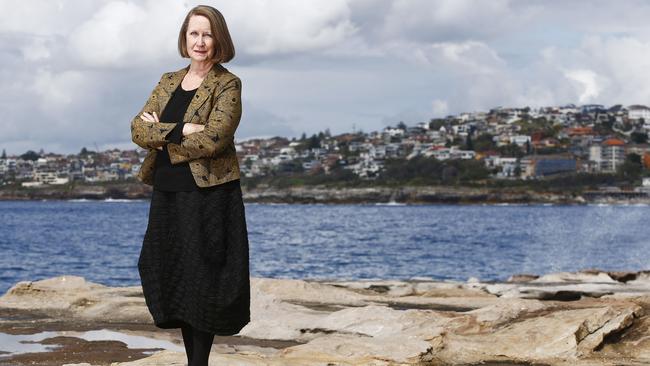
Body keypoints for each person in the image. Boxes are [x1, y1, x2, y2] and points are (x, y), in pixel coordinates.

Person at [130, 5, 250, 366]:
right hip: (166, 190)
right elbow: (138, 130)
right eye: (194, 33)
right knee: (171, 272)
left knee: (204, 278)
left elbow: (214, 140)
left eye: (207, 34)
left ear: (219, 40)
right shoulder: (168, 80)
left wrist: (161, 132)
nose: (200, 41)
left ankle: (199, 363)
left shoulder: (227, 83)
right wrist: (182, 129)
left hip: (209, 193)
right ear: (185, 38)